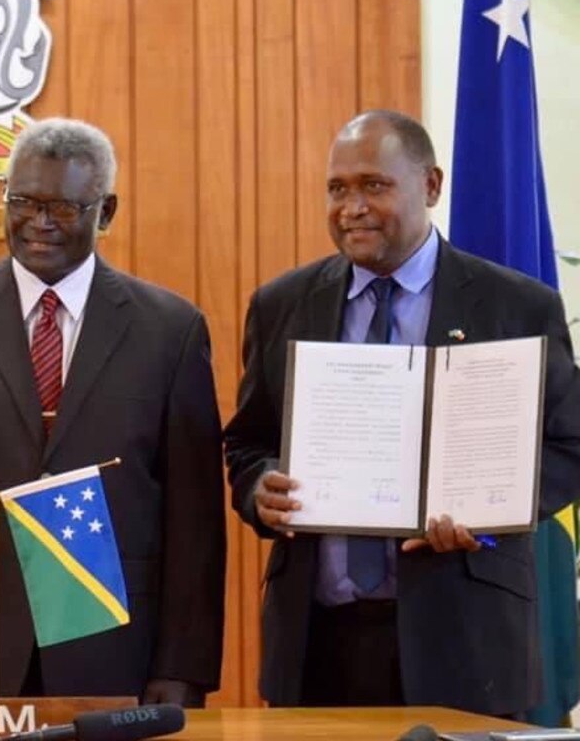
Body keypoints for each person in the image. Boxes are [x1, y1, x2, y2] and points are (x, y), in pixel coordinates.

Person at [223, 109, 580, 717]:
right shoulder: (282, 304)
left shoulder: (517, 306)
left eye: (374, 185)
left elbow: (568, 446)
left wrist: (488, 510)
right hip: (318, 647)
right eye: (338, 189)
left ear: (431, 186)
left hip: (466, 645)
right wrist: (260, 488)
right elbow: (248, 444)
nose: (351, 207)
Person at [0, 118, 225, 706]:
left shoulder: (170, 330)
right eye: (24, 202)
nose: (39, 224)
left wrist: (182, 669)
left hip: (118, 648)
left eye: (64, 207)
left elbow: (194, 519)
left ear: (106, 211)